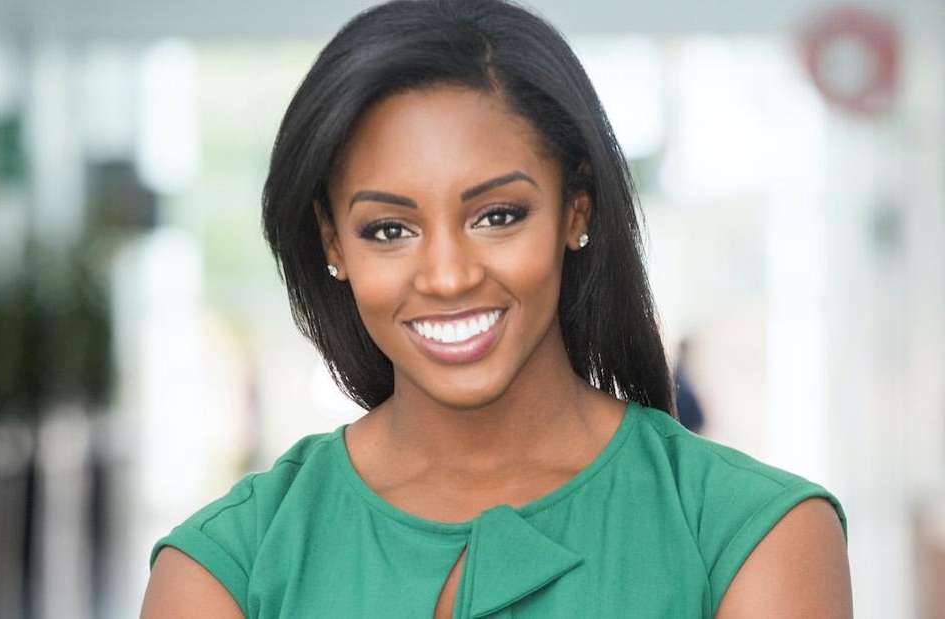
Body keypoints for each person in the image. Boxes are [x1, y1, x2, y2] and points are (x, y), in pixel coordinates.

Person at [140, 1, 852, 617]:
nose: (448, 275)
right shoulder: (224, 567)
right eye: (389, 229)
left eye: (498, 215)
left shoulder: (753, 535)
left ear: (577, 209)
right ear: (334, 244)